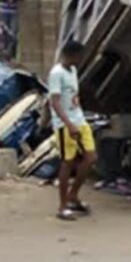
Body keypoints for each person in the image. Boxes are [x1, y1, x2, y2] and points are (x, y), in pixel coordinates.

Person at [48, 40, 97, 221]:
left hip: (79, 120)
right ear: (71, 55)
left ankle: (73, 195)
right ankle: (62, 206)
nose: (80, 60)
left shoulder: (73, 71)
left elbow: (73, 97)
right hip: (64, 125)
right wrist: (68, 124)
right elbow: (54, 102)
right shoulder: (56, 73)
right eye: (79, 56)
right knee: (67, 163)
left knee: (91, 157)